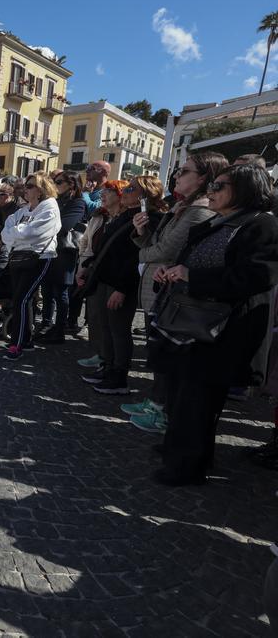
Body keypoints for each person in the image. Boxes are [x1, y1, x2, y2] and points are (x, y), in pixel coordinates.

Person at [152, 164, 278, 485]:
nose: (212, 191)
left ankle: (186, 466)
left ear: (246, 188)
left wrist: (192, 276)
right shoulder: (219, 220)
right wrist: (169, 272)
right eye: (213, 185)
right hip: (194, 322)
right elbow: (188, 260)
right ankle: (181, 450)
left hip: (225, 329)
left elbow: (256, 277)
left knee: (200, 399)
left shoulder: (262, 225)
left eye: (220, 185)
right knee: (184, 394)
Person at [124, 158, 223, 433]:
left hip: (171, 288)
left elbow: (166, 249)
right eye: (178, 171)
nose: (177, 176)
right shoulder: (181, 206)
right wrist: (141, 231)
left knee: (167, 354)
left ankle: (161, 410)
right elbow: (155, 242)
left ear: (203, 178)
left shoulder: (200, 211)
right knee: (158, 351)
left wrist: (143, 253)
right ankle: (155, 401)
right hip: (157, 282)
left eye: (185, 171)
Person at [78, 180, 142, 394]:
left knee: (119, 330)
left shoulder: (140, 218)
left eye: (130, 189)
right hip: (105, 278)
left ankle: (118, 376)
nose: (104, 194)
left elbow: (133, 258)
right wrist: (86, 266)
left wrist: (122, 288)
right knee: (104, 325)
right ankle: (108, 367)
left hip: (119, 282)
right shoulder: (117, 217)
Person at [0, 172, 61, 361]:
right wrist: (17, 233)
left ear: (41, 189)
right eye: (26, 185)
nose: (25, 189)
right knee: (24, 299)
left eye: (30, 186)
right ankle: (25, 340)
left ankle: (16, 343)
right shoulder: (24, 210)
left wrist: (16, 233)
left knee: (22, 299)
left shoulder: (49, 207)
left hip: (39, 257)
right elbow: (6, 232)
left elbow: (34, 232)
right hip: (20, 257)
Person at [37, 172, 87, 343]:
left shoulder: (78, 203)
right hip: (49, 250)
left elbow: (65, 226)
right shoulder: (54, 201)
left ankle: (59, 330)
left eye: (58, 182)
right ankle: (46, 324)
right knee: (47, 290)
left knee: (61, 292)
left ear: (71, 184)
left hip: (65, 252)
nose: (55, 184)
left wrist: (46, 225)